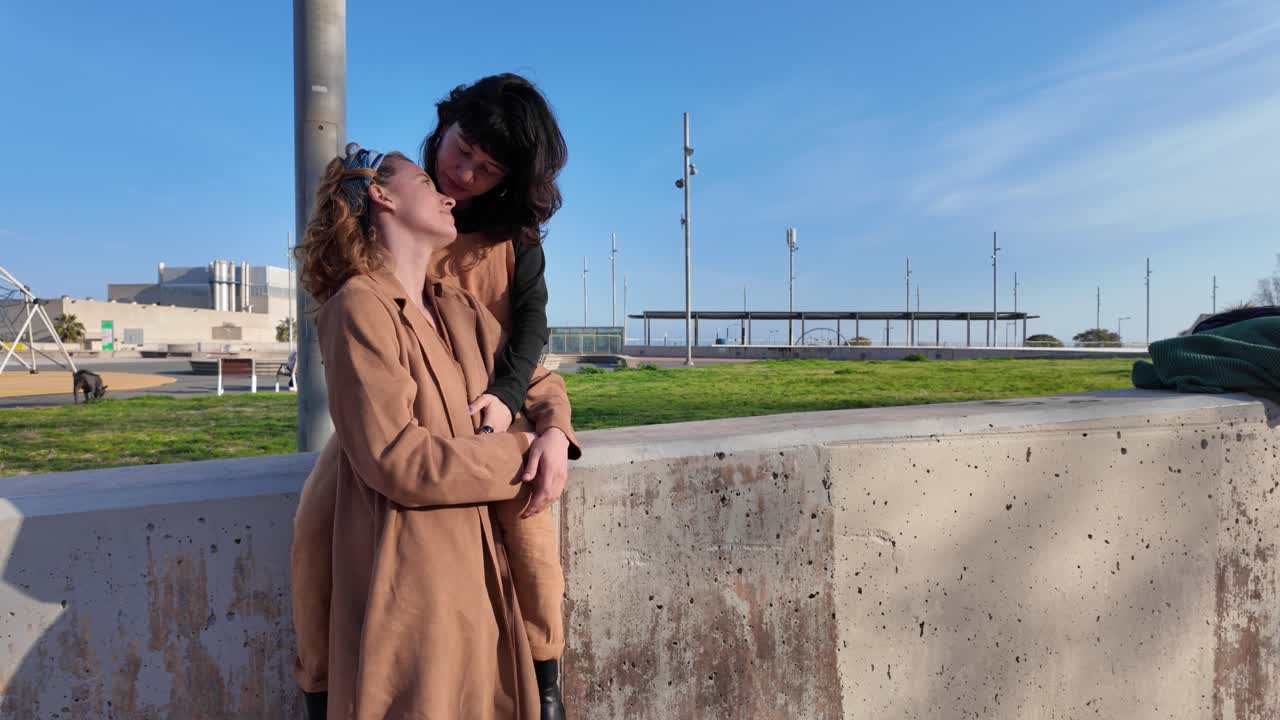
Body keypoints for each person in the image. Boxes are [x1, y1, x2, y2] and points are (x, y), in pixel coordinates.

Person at [293, 73, 576, 720]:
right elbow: (391, 445)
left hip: (483, 401)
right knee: (315, 534)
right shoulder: (385, 236)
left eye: (487, 167)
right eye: (461, 149)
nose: (463, 174)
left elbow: (528, 346)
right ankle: (318, 687)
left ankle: (546, 680)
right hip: (395, 421)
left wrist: (542, 428)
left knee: (530, 544)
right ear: (443, 127)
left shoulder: (508, 245)